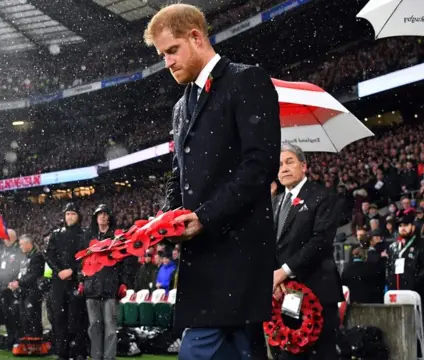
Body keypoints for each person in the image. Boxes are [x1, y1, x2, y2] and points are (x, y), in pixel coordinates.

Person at [144, 4, 280, 359]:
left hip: (237, 253)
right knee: (239, 352)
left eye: (172, 50)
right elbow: (179, 175)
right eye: (162, 55)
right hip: (201, 257)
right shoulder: (180, 106)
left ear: (196, 36)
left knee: (197, 351)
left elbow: (259, 165)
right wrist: (163, 220)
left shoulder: (245, 80)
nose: (167, 62)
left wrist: (205, 217)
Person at [273, 144, 343, 359]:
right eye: (279, 164)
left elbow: (320, 241)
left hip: (318, 289)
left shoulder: (323, 196)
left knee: (321, 353)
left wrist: (284, 271)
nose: (284, 168)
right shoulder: (275, 202)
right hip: (288, 294)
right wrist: (275, 278)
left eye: (290, 161)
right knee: (293, 350)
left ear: (303, 166)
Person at [83, 204, 131, 360]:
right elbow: (82, 262)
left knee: (110, 327)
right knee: (94, 327)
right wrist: (81, 280)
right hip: (91, 287)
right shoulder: (88, 238)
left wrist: (123, 282)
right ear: (95, 218)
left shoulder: (118, 237)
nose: (103, 216)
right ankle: (96, 357)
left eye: (105, 214)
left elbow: (125, 262)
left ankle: (109, 358)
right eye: (100, 214)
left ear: (109, 217)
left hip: (111, 288)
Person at [45, 202, 89, 360]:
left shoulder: (84, 234)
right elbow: (49, 256)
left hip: (76, 281)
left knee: (77, 318)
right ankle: (62, 352)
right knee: (59, 318)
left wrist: (72, 270)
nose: (70, 217)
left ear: (78, 216)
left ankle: (77, 352)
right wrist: (60, 271)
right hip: (59, 282)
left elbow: (86, 256)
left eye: (73, 214)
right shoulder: (56, 234)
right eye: (68, 214)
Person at [10, 234, 45, 339]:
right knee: (24, 316)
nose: (20, 247)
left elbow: (34, 275)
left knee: (32, 315)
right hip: (24, 291)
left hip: (33, 291)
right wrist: (15, 281)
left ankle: (35, 339)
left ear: (28, 244)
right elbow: (23, 273)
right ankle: (27, 338)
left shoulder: (37, 257)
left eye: (21, 245)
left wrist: (19, 283)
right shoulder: (25, 257)